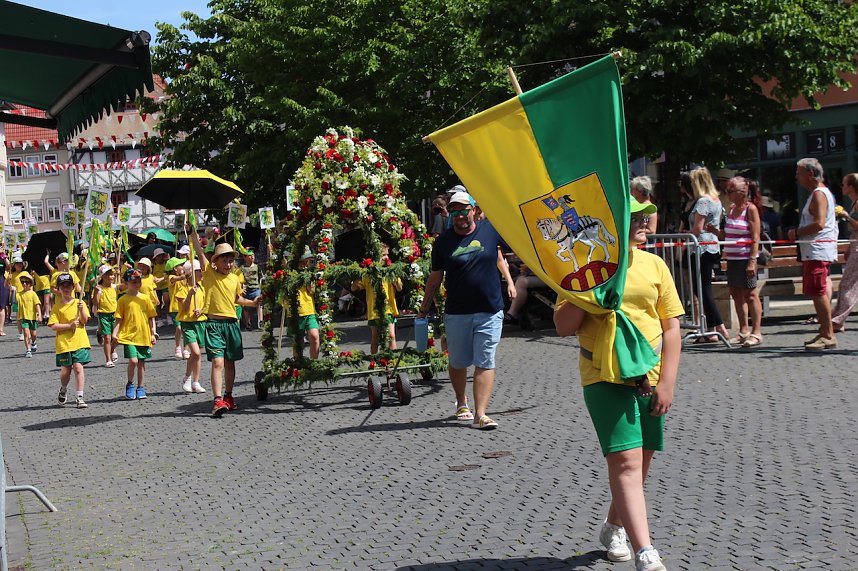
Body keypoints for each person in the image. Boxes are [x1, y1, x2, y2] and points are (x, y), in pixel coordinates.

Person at [554, 199, 682, 571]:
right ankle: (647, 552)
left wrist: (668, 383)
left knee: (638, 464)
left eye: (645, 216)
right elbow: (563, 326)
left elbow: (671, 327)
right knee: (625, 460)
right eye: (634, 217)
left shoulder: (654, 264)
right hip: (602, 376)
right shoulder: (580, 265)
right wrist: (593, 287)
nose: (644, 221)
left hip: (651, 377)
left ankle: (613, 527)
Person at [417, 190, 515, 430]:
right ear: (450, 214)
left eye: (464, 210)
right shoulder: (443, 242)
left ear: (474, 210)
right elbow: (436, 276)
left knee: (485, 359)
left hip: (490, 309)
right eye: (455, 211)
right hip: (457, 311)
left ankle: (481, 414)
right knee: (459, 361)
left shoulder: (491, 232)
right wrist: (424, 307)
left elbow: (499, 256)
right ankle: (462, 402)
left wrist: (510, 281)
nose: (460, 215)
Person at [189, 230, 262, 417]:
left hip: (231, 324)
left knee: (230, 364)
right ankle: (217, 400)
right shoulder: (209, 273)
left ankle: (228, 396)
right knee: (218, 362)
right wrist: (192, 234)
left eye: (231, 261)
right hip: (214, 324)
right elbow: (198, 251)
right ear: (215, 262)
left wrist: (253, 303)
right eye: (224, 260)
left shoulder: (235, 278)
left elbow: (237, 299)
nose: (228, 264)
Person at [789, 157, 839, 350]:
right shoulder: (819, 193)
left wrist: (796, 232)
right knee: (818, 291)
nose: (796, 177)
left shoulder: (819, 194)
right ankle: (824, 331)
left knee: (818, 292)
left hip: (817, 250)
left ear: (810, 174)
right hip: (815, 251)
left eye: (799, 172)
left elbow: (819, 223)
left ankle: (828, 334)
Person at [711, 177, 764, 347]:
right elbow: (728, 235)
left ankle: (756, 332)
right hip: (732, 259)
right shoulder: (732, 209)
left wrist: (752, 261)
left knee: (751, 294)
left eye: (730, 191)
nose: (727, 195)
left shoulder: (751, 209)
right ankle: (743, 330)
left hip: (745, 258)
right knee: (735, 293)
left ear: (741, 193)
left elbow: (755, 237)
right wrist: (715, 232)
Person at [688, 167, 728, 342]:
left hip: (701, 247)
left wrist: (684, 241)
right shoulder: (717, 200)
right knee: (704, 288)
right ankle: (712, 329)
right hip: (712, 246)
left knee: (702, 288)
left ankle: (719, 327)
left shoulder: (703, 201)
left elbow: (697, 227)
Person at [113, 268, 158, 400]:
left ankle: (141, 387)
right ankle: (130, 383)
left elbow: (151, 317)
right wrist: (115, 333)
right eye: (133, 282)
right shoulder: (122, 300)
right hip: (128, 336)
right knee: (133, 360)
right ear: (126, 283)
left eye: (139, 281)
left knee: (141, 363)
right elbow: (118, 319)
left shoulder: (145, 299)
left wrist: (153, 333)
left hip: (144, 335)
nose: (137, 284)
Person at [48, 273, 91, 409]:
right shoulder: (57, 307)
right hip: (64, 344)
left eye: (68, 286)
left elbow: (84, 321)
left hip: (79, 341)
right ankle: (63, 388)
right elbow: (53, 325)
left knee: (78, 368)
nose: (66, 289)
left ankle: (79, 397)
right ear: (59, 289)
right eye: (63, 286)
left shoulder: (80, 303)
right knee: (66, 370)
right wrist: (69, 326)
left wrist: (81, 310)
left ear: (73, 287)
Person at [351, 244, 402, 353]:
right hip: (374, 310)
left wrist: (393, 277)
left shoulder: (390, 270)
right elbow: (354, 288)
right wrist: (358, 274)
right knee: (376, 338)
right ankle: (374, 360)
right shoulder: (369, 273)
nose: (386, 257)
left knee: (391, 335)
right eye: (384, 255)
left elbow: (399, 288)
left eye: (387, 255)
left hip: (388, 308)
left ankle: (392, 360)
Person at [831, 172, 858, 332]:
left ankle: (838, 319)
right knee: (848, 284)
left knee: (847, 284)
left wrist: (846, 217)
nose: (841, 187)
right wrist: (849, 248)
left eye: (844, 184)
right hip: (855, 245)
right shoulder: (854, 202)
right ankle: (838, 318)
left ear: (851, 187)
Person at [176, 259, 208, 394]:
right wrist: (190, 294)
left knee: (198, 354)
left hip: (201, 322)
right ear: (191, 273)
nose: (201, 273)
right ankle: (188, 378)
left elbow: (207, 305)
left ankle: (195, 381)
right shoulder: (183, 289)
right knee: (195, 352)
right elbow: (184, 309)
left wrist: (201, 310)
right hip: (187, 323)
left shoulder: (203, 287)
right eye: (198, 271)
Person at [287, 248, 321, 360]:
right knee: (298, 342)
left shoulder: (309, 274)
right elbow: (284, 293)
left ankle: (313, 364)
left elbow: (312, 291)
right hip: (295, 312)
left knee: (314, 336)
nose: (307, 262)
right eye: (306, 259)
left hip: (309, 310)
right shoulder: (290, 273)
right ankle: (299, 365)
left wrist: (309, 283)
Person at [503, 260, 546, 325]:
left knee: (522, 281)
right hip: (535, 274)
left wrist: (530, 268)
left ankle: (512, 314)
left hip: (550, 279)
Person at [92, 265, 118, 368]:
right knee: (107, 338)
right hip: (103, 315)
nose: (111, 276)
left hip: (115, 314)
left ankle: (111, 350)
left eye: (112, 274)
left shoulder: (115, 287)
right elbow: (95, 302)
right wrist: (96, 292)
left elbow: (125, 286)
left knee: (116, 338)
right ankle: (108, 359)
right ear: (103, 276)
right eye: (108, 274)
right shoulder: (99, 288)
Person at [165, 257, 187, 359]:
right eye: (180, 265)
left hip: (185, 306)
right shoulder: (171, 277)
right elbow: (175, 279)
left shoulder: (185, 278)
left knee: (186, 328)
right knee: (179, 327)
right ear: (174, 268)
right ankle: (178, 347)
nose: (182, 267)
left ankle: (186, 348)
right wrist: (185, 275)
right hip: (175, 307)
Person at [16, 271, 41, 357]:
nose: (24, 284)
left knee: (33, 334)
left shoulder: (33, 294)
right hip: (23, 317)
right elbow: (13, 300)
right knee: (26, 333)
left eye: (27, 282)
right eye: (22, 282)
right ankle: (28, 350)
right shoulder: (19, 294)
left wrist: (39, 315)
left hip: (32, 317)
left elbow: (37, 304)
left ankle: (33, 343)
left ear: (30, 284)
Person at [239, 249, 262, 330]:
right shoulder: (242, 268)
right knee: (246, 307)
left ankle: (260, 321)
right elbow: (240, 279)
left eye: (253, 255)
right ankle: (247, 323)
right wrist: (241, 288)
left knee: (258, 303)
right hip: (247, 289)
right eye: (250, 255)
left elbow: (260, 276)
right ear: (245, 257)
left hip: (256, 288)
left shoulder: (257, 266)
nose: (252, 257)